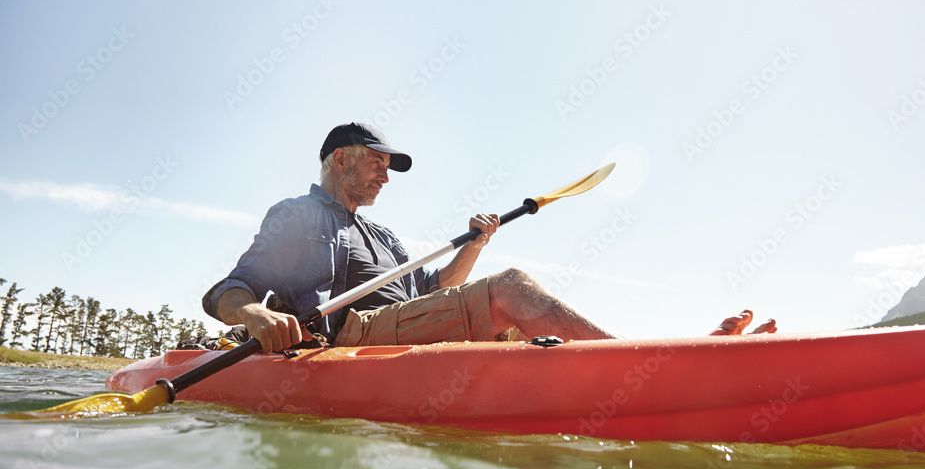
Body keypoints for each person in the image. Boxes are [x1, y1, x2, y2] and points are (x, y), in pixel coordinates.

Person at [202, 122, 617, 353]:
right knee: (511, 288)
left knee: (518, 332)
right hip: (349, 333)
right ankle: (643, 366)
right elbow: (231, 289)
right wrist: (255, 315)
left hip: (405, 323)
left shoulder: (383, 236)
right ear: (341, 160)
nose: (385, 176)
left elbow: (434, 290)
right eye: (377, 164)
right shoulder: (296, 215)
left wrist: (474, 246)